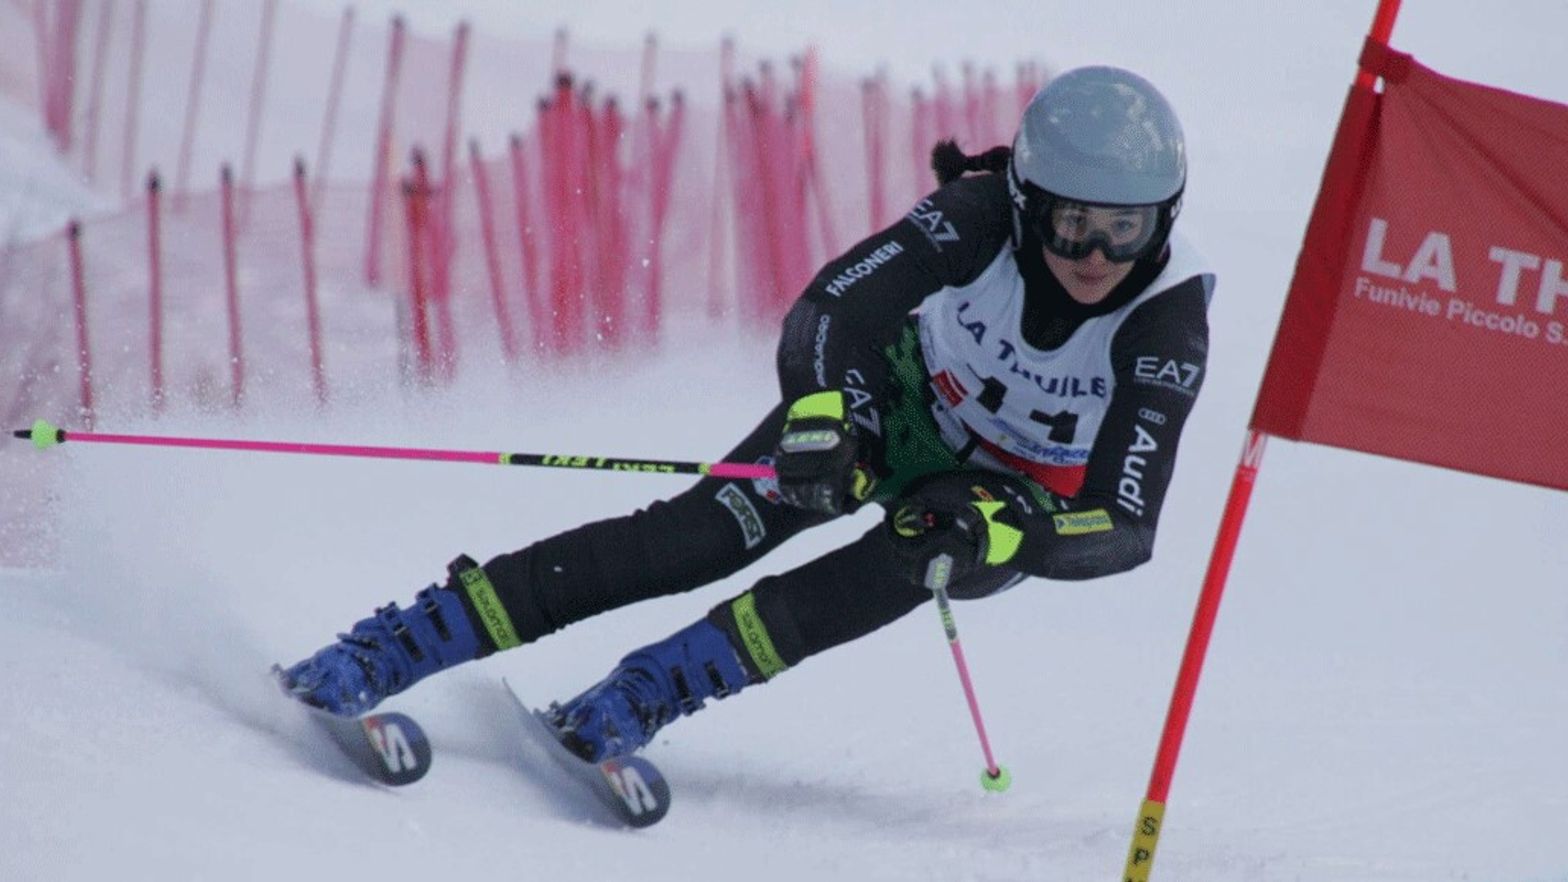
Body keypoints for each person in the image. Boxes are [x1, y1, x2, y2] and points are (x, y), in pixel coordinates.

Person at [280, 65, 1213, 764]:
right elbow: (834, 309)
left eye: (1125, 228)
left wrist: (1009, 534)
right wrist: (825, 416)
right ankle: (411, 638)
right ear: (1026, 202)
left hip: (1002, 494)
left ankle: (645, 693)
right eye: (1070, 222)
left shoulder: (1164, 322)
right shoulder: (974, 218)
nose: (1095, 253)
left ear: (1161, 223)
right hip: (898, 396)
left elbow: (1126, 524)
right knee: (695, 537)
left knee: (890, 562)